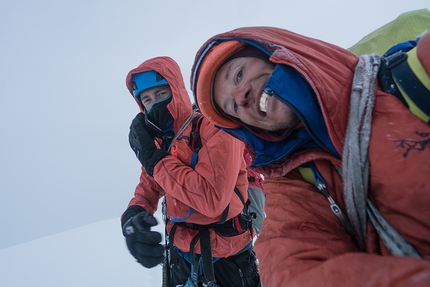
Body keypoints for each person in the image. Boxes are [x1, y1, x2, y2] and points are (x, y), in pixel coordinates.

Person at [189, 18, 430, 287]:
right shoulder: (293, 184)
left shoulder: (413, 77)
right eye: (232, 107)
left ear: (275, 51)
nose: (240, 96)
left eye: (238, 74)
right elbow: (289, 268)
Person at [120, 56, 260, 287]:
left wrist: (154, 160)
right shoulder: (160, 143)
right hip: (179, 253)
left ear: (176, 91)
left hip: (225, 258)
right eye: (146, 99)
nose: (154, 104)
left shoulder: (215, 126)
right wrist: (133, 215)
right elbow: (149, 186)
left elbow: (213, 199)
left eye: (161, 94)